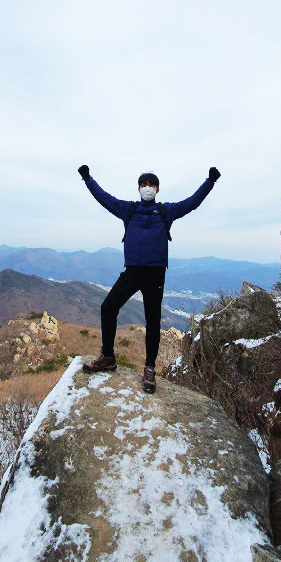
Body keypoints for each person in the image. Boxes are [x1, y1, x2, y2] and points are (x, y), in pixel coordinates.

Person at [77, 165, 221, 392]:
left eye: (151, 184)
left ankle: (150, 368)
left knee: (152, 321)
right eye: (143, 185)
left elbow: (192, 202)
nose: (147, 188)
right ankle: (107, 357)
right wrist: (88, 179)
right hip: (132, 271)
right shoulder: (129, 209)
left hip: (155, 273)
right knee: (108, 307)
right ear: (138, 189)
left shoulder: (166, 211)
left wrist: (209, 182)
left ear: (158, 189)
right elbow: (103, 198)